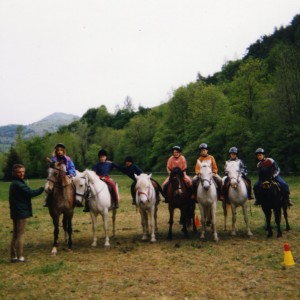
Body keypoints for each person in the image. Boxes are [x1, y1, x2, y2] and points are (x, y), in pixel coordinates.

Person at [9, 164, 44, 263]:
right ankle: (20, 257)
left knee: (15, 234)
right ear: (14, 173)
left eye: (23, 171)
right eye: (19, 172)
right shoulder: (18, 184)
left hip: (16, 212)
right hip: (21, 213)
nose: (22, 174)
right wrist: (42, 188)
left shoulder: (15, 183)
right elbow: (31, 193)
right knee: (20, 235)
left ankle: (13, 256)